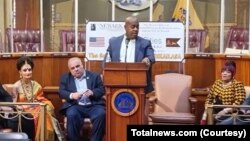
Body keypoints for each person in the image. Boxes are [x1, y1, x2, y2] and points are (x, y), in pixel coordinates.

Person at [12, 56, 64, 141]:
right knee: (39, 114)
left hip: (36, 109)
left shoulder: (36, 85)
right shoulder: (16, 86)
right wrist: (21, 108)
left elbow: (42, 99)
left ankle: (44, 138)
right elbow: (14, 104)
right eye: (25, 70)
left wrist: (43, 104)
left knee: (45, 112)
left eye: (30, 69)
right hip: (23, 112)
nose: (28, 72)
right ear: (20, 72)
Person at [59, 57, 105, 141]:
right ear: (70, 70)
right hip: (76, 105)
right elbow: (61, 92)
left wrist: (92, 92)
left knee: (101, 114)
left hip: (93, 105)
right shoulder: (65, 78)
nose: (76, 69)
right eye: (72, 68)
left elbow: (102, 90)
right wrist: (72, 95)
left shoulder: (94, 76)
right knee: (71, 114)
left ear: (82, 65)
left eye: (77, 66)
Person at [106, 16, 155, 94]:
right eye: (133, 27)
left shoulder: (145, 43)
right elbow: (106, 60)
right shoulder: (114, 42)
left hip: (138, 83)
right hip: (116, 82)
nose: (136, 29)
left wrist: (147, 60)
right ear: (125, 27)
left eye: (137, 27)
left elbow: (151, 57)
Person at [204, 60, 246, 125]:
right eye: (223, 71)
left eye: (228, 72)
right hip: (215, 109)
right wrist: (207, 108)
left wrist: (225, 111)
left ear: (232, 74)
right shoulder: (217, 83)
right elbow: (210, 98)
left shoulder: (237, 84)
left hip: (231, 112)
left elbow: (239, 101)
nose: (224, 73)